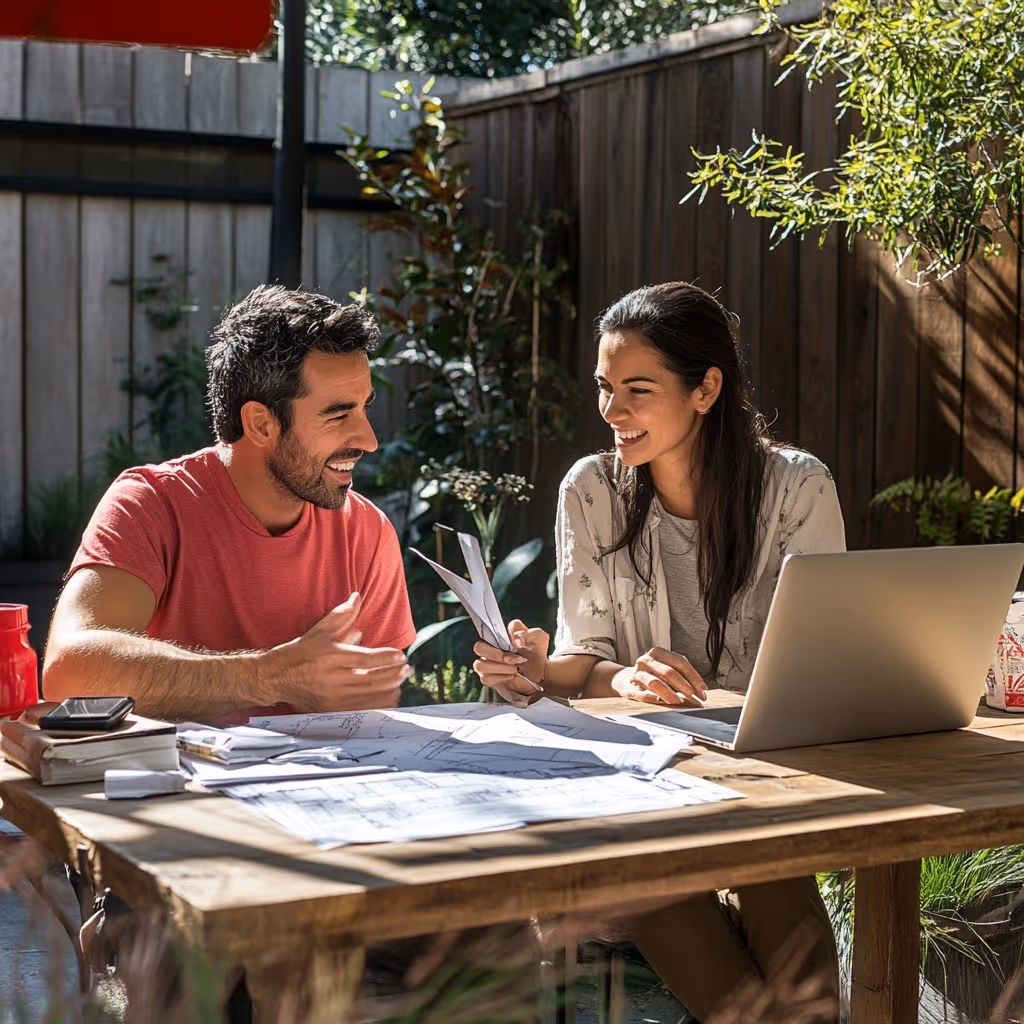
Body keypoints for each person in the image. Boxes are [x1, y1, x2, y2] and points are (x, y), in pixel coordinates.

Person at [473, 281, 844, 1022]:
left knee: (773, 863)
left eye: (637, 390)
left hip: (766, 776)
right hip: (641, 781)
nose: (612, 412)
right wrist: (543, 670)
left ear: (706, 388)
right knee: (647, 864)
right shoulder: (592, 489)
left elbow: (822, 664)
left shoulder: (797, 489)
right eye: (606, 389)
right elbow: (586, 664)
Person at [43, 285, 415, 727]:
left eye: (363, 408)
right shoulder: (150, 505)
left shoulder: (367, 532)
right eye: (338, 414)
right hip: (177, 792)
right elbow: (69, 674)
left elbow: (373, 710)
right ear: (260, 423)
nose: (368, 440)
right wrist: (267, 677)